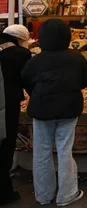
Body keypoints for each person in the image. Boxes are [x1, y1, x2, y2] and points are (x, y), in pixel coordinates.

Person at [22, 19, 87, 207]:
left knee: (41, 152)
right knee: (64, 150)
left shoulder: (36, 60)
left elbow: (25, 80)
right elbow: (86, 79)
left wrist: (37, 92)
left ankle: (43, 195)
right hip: (69, 108)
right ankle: (67, 194)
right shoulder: (76, 57)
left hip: (41, 108)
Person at [0, 25, 32, 205]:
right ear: (21, 39)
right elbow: (28, 79)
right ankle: (4, 192)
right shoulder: (20, 54)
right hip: (7, 106)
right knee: (5, 147)